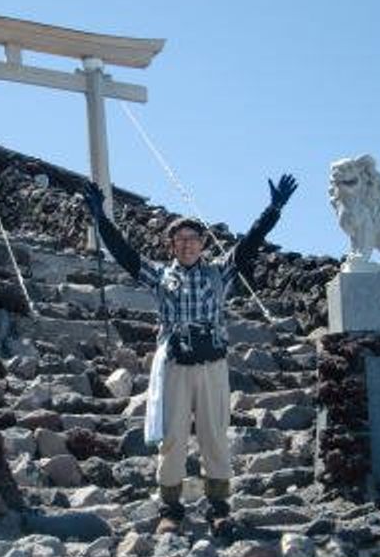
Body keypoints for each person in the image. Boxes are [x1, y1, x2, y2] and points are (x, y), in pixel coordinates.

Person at [82, 174, 297, 534]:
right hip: (176, 365)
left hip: (212, 363)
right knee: (173, 436)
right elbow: (123, 253)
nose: (187, 245)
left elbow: (249, 245)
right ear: (171, 245)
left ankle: (218, 507)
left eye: (193, 239)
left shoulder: (219, 273)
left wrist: (273, 210)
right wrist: (101, 218)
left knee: (214, 434)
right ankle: (171, 509)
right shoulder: (159, 276)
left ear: (202, 244)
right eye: (180, 240)